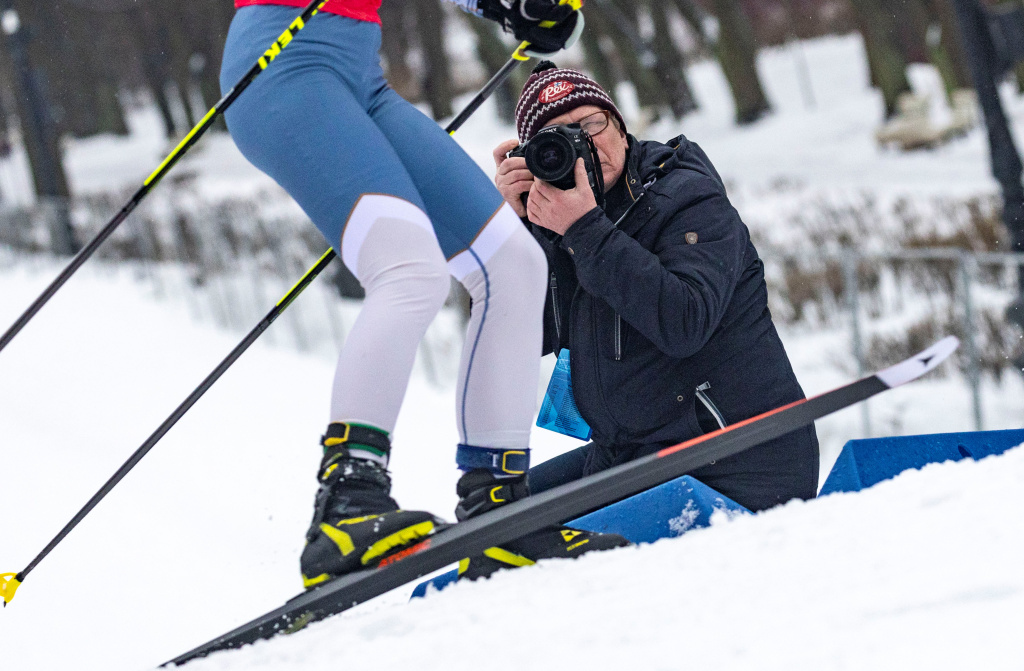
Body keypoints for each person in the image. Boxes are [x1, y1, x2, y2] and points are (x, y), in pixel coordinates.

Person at [219, 1, 626, 586]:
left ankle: (500, 509)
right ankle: (347, 502)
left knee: (513, 263)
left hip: (359, 73)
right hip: (283, 62)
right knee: (410, 271)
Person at [493, 62, 820, 512]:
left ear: (621, 128)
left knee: (539, 553)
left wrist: (585, 231)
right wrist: (512, 235)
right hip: (632, 454)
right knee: (498, 515)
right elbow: (520, 341)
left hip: (734, 460)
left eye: (591, 124)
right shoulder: (555, 219)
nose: (584, 143)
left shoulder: (686, 198)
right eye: (559, 137)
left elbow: (684, 321)